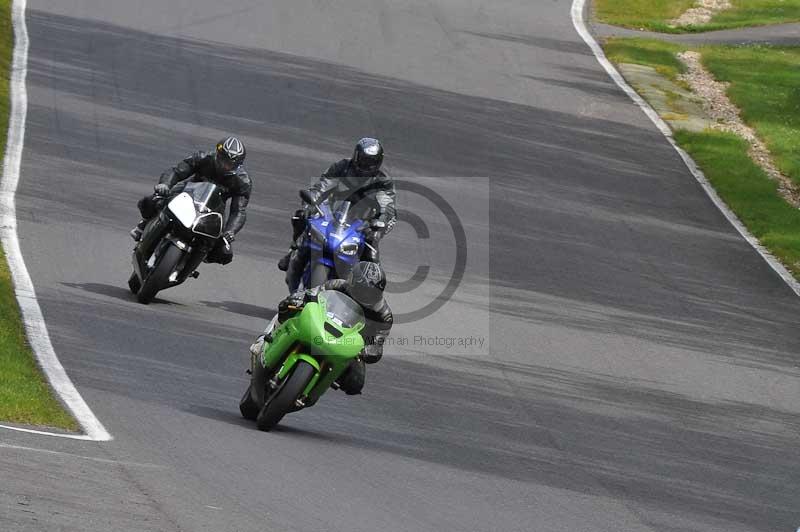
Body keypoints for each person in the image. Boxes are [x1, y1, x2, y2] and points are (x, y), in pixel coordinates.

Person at [256, 261, 392, 396]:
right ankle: (264, 339)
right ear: (352, 281)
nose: (366, 295)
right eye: (363, 290)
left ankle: (323, 380)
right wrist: (298, 298)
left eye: (372, 292)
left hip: (349, 341)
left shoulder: (383, 315)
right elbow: (312, 294)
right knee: (288, 307)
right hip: (322, 322)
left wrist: (369, 350)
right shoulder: (336, 285)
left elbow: (378, 342)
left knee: (355, 382)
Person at [278, 138, 396, 286]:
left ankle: (372, 286)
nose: (365, 165)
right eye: (362, 159)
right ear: (355, 155)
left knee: (372, 246)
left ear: (378, 161)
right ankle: (293, 251)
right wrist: (312, 201)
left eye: (370, 161)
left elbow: (387, 204)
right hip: (332, 214)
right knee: (301, 216)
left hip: (362, 222)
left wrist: (381, 221)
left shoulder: (383, 180)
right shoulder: (342, 167)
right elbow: (323, 185)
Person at [130, 136, 251, 264]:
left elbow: (239, 210)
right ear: (217, 154)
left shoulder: (243, 181)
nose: (226, 166)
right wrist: (165, 185)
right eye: (223, 161)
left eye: (231, 164)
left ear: (238, 164)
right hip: (187, 193)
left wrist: (230, 231)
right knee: (155, 200)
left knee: (224, 253)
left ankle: (196, 258)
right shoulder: (203, 158)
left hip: (213, 209)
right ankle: (143, 225)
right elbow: (177, 171)